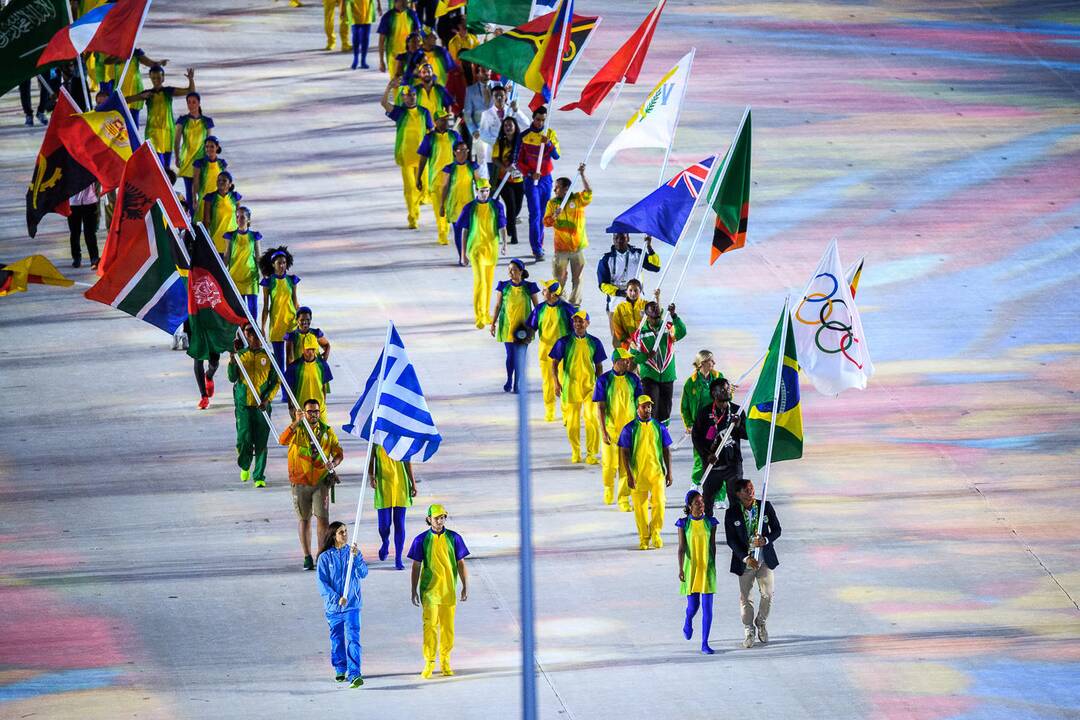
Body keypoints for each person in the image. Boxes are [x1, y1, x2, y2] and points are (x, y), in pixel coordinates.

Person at [279, 398, 344, 570]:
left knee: (323, 519)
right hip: (299, 482)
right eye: (310, 411)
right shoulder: (297, 429)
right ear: (304, 413)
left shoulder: (327, 432)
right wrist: (295, 422)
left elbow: (338, 453)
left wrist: (334, 463)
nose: (314, 415)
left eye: (316, 411)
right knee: (304, 519)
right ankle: (307, 556)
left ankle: (321, 554)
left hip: (320, 482)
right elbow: (282, 440)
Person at [408, 504, 469, 679]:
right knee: (430, 628)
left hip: (448, 591)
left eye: (442, 517)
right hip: (429, 592)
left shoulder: (454, 538)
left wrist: (465, 585)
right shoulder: (420, 540)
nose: (440, 521)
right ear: (429, 519)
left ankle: (445, 660)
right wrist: (413, 589)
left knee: (448, 628)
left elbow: (461, 563)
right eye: (436, 518)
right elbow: (416, 565)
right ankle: (429, 662)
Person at [724, 478, 781, 649]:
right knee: (746, 598)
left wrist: (766, 539)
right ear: (738, 494)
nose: (751, 492)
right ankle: (749, 629)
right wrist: (745, 558)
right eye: (746, 490)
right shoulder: (732, 513)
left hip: (764, 559)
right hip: (746, 562)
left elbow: (777, 530)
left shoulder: (765, 507)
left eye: (751, 488)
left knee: (768, 594)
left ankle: (761, 622)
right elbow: (731, 541)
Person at [549, 310, 607, 465]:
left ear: (587, 323)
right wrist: (556, 382)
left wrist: (599, 384)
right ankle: (576, 452)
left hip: (590, 388)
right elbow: (554, 363)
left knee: (591, 419)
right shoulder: (564, 342)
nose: (577, 324)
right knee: (572, 423)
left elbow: (599, 365)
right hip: (570, 387)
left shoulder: (595, 342)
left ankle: (591, 454)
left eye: (581, 321)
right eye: (575, 321)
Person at [227, 324, 279, 487]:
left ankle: (259, 476)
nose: (256, 339)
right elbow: (231, 377)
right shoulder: (240, 355)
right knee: (244, 438)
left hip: (261, 406)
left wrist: (267, 399)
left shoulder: (269, 357)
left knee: (261, 441)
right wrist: (232, 359)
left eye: (258, 335)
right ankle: (244, 464)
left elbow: (276, 381)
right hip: (244, 404)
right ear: (246, 337)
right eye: (252, 335)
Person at [316, 522, 368, 687]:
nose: (345, 535)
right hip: (334, 608)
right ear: (333, 536)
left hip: (352, 605)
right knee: (337, 638)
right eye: (341, 532)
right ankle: (340, 667)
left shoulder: (352, 554)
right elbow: (322, 583)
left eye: (346, 531)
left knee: (353, 638)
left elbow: (363, 573)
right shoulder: (324, 558)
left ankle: (354, 673)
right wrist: (336, 598)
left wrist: (358, 556)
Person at [618, 395, 673, 550]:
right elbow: (624, 452)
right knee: (640, 508)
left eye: (649, 406)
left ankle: (656, 532)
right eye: (644, 406)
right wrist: (628, 474)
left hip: (656, 473)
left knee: (660, 503)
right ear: (637, 408)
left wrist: (669, 472)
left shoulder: (659, 427)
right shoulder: (629, 428)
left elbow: (666, 449)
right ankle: (643, 537)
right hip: (638, 474)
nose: (648, 409)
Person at [381, 78, 433, 229]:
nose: (411, 97)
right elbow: (384, 103)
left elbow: (431, 132)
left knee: (422, 188)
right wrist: (389, 87)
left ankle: (420, 202)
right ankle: (413, 217)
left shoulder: (424, 112)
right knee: (410, 189)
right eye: (408, 95)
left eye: (414, 95)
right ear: (403, 97)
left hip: (422, 158)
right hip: (406, 158)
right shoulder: (400, 113)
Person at [594, 348, 642, 509]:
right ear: (616, 362)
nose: (628, 363)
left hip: (629, 431)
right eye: (625, 360)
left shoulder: (634, 379)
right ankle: (608, 486)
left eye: (629, 360)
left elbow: (640, 403)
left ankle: (623, 498)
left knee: (626, 465)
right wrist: (603, 431)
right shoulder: (603, 380)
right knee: (609, 465)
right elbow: (600, 407)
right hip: (611, 429)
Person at [455, 178, 506, 327]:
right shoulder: (469, 208)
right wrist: (463, 254)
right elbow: (464, 231)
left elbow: (502, 226)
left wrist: (504, 244)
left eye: (487, 191)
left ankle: (486, 313)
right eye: (482, 191)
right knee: (480, 282)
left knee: (489, 283)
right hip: (476, 249)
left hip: (491, 249)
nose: (485, 194)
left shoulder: (497, 206)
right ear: (476, 190)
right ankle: (479, 316)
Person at [692, 377, 747, 516]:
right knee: (708, 503)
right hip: (712, 465)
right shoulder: (704, 413)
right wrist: (706, 455)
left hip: (733, 465)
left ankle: (736, 533)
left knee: (736, 502)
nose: (727, 391)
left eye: (728, 388)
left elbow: (747, 435)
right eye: (723, 389)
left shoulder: (737, 411)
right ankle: (708, 535)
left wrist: (739, 425)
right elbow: (696, 437)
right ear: (714, 394)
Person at [630, 298, 686, 425]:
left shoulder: (668, 327)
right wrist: (646, 356)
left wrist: (674, 316)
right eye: (653, 317)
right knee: (651, 408)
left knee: (665, 409)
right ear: (647, 317)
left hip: (667, 375)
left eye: (658, 316)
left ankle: (663, 435)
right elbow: (633, 357)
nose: (656, 320)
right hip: (649, 376)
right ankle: (650, 433)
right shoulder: (639, 334)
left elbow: (682, 333)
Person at [126, 66, 195, 168]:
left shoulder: (168, 91)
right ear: (150, 78)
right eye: (153, 78)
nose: (156, 80)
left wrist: (191, 79)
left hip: (168, 133)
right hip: (153, 133)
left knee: (166, 167)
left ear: (163, 78)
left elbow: (190, 91)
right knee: (158, 164)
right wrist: (140, 97)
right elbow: (127, 100)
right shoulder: (147, 94)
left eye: (158, 78)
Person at [514, 105, 559, 261]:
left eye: (543, 121)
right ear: (533, 119)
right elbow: (517, 160)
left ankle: (540, 243)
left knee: (543, 214)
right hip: (531, 181)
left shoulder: (550, 134)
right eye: (538, 120)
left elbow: (557, 156)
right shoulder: (525, 136)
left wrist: (548, 144)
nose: (540, 123)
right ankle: (536, 248)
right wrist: (529, 173)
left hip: (546, 179)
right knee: (535, 214)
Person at [543, 164, 591, 307]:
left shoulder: (577, 200)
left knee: (578, 279)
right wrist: (553, 216)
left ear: (565, 189)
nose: (554, 190)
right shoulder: (552, 204)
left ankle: (574, 304)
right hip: (561, 249)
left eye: (557, 187)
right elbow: (546, 222)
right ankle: (559, 302)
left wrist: (582, 175)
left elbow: (588, 192)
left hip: (577, 248)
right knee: (559, 278)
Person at [525, 279, 574, 422]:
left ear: (553, 294)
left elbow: (575, 330)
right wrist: (525, 337)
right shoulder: (539, 309)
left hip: (564, 353)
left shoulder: (567, 309)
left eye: (545, 290)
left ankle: (566, 413)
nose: (542, 292)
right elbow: (531, 327)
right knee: (547, 382)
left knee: (564, 382)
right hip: (545, 352)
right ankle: (549, 411)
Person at [677, 488, 718, 654]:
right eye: (697, 503)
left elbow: (713, 546)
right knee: (693, 606)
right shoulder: (684, 523)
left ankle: (705, 642)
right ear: (689, 505)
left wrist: (713, 565)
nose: (701, 505)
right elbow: (681, 548)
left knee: (708, 608)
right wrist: (680, 569)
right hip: (691, 568)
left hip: (707, 569)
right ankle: (688, 620)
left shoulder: (711, 522)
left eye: (702, 502)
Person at [489, 258, 539, 393]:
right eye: (509, 270)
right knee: (510, 355)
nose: (511, 272)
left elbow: (537, 308)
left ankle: (518, 383)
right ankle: (509, 379)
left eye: (514, 270)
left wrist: (537, 325)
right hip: (507, 326)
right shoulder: (503, 286)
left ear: (521, 272)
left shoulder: (529, 287)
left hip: (524, 328)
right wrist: (493, 323)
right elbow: (498, 305)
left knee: (520, 356)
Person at [259, 246, 300, 398]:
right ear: (273, 265)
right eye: (279, 263)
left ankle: (290, 390)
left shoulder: (292, 280)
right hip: (276, 325)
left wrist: (302, 319)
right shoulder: (268, 283)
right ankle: (283, 391)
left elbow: (295, 303)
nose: (282, 265)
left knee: (292, 360)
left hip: (291, 325)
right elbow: (265, 307)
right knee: (279, 363)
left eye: (284, 263)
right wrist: (262, 327)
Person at [370, 445, 417, 569]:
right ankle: (385, 542)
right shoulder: (376, 438)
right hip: (383, 484)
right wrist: (371, 476)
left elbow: (407, 461)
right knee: (384, 525)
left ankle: (398, 558)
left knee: (400, 524)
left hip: (401, 484)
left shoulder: (403, 437)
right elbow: (371, 460)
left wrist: (413, 483)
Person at [681, 350, 725, 486]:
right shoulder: (691, 383)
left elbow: (727, 399)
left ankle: (720, 495)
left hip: (717, 423)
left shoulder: (718, 377)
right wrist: (689, 424)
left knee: (720, 456)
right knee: (700, 456)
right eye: (711, 361)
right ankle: (696, 483)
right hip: (700, 426)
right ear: (702, 363)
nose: (714, 363)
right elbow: (685, 407)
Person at [416, 111, 462, 237]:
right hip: (436, 179)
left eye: (446, 119)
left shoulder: (455, 136)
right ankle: (442, 231)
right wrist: (419, 177)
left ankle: (447, 227)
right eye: (442, 119)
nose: (445, 122)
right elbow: (423, 158)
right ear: (435, 122)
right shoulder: (429, 138)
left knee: (449, 206)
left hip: (453, 179)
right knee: (439, 207)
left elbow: (463, 155)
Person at [598, 232, 660, 312]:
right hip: (616, 300)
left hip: (637, 298)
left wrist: (649, 248)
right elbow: (602, 284)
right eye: (616, 238)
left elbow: (656, 267)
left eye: (622, 238)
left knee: (640, 324)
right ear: (613, 240)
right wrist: (619, 292)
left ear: (628, 239)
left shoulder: (638, 254)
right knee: (616, 324)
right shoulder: (606, 259)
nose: (619, 241)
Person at [173, 92, 214, 214]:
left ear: (199, 103)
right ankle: (192, 224)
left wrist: (210, 159)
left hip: (202, 160)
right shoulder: (183, 120)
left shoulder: (207, 121)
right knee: (190, 194)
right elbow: (177, 140)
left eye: (194, 102)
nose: (191, 105)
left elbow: (210, 141)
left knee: (202, 192)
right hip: (187, 160)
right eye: (189, 102)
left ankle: (202, 220)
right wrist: (176, 156)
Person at [439, 142, 479, 260]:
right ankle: (462, 256)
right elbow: (445, 187)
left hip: (469, 204)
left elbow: (478, 182)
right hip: (455, 204)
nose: (463, 153)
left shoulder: (472, 166)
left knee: (471, 231)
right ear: (454, 152)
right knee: (458, 232)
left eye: (465, 150)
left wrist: (482, 189)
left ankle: (469, 253)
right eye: (460, 150)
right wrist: (442, 205)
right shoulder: (449, 168)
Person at [478, 84, 529, 174]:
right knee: (494, 183)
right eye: (496, 96)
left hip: (511, 155)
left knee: (511, 182)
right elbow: (483, 134)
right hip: (493, 156)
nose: (499, 98)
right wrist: (500, 141)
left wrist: (516, 110)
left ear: (506, 96)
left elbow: (527, 124)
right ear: (492, 97)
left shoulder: (512, 110)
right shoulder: (486, 114)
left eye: (502, 95)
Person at [285, 334, 334, 423]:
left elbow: (324, 386)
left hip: (319, 409)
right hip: (301, 409)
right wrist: (290, 407)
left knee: (321, 435)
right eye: (308, 349)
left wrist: (323, 405)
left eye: (313, 349)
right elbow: (289, 388)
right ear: (303, 349)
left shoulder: (322, 365)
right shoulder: (294, 367)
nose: (311, 352)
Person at [491, 116, 525, 246]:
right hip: (504, 180)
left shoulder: (521, 143)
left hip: (519, 180)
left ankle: (507, 223)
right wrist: (505, 168)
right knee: (510, 206)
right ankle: (513, 235)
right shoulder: (500, 143)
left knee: (517, 208)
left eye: (510, 125)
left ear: (515, 127)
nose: (508, 127)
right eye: (506, 126)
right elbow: (494, 159)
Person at [223, 206, 262, 317]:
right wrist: (221, 272)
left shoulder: (254, 236)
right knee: (239, 310)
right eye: (237, 217)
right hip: (235, 276)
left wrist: (264, 274)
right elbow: (227, 256)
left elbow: (259, 257)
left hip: (251, 276)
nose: (239, 220)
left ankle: (253, 332)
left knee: (252, 309)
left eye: (242, 217)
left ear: (248, 220)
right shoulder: (230, 236)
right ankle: (241, 333)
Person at [377, 0, 421, 75]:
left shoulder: (412, 14)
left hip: (410, 55)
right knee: (396, 82)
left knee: (410, 83)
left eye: (406, 2)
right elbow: (381, 40)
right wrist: (381, 61)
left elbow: (418, 34)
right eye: (402, 2)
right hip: (394, 56)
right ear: (395, 2)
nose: (404, 4)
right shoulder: (388, 17)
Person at [202, 172, 241, 254]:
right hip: (216, 238)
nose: (220, 182)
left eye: (224, 180)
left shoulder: (235, 197)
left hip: (232, 238)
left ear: (230, 184)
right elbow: (206, 221)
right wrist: (206, 239)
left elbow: (238, 218)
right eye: (219, 180)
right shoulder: (210, 197)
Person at [191, 136, 227, 223]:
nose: (209, 149)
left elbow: (226, 182)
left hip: (217, 200)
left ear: (217, 147)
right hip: (203, 199)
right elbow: (195, 182)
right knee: (201, 225)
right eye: (207, 146)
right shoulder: (199, 163)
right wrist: (194, 200)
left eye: (212, 146)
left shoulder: (222, 163)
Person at [67, 183, 100, 269]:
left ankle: (94, 259)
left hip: (90, 201)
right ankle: (76, 258)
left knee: (90, 233)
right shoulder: (70, 169)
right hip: (73, 203)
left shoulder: (91, 169)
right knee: (74, 232)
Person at [609, 278, 645, 349]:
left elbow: (657, 317)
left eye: (636, 290)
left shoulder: (646, 305)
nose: (633, 293)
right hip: (627, 346)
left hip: (643, 344)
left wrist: (657, 298)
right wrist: (629, 340)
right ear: (626, 291)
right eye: (630, 290)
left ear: (640, 291)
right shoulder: (620, 308)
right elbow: (617, 327)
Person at [347, 0, 381, 70]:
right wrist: (342, 9)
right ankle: (355, 59)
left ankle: (363, 60)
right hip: (354, 10)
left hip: (367, 10)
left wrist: (379, 5)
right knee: (356, 38)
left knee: (365, 38)